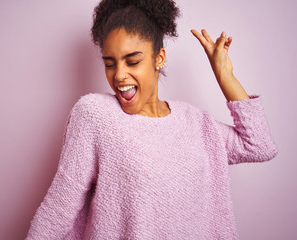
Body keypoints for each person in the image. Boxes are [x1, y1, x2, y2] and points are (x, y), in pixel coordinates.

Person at [26, 0, 277, 239]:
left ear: (159, 58)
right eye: (110, 64)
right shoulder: (94, 115)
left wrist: (224, 75)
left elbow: (260, 146)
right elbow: (59, 208)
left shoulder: (196, 123)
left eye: (132, 61)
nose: (119, 75)